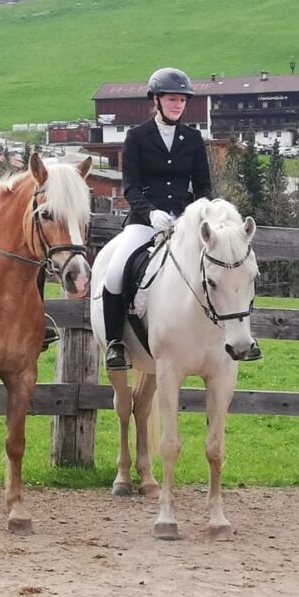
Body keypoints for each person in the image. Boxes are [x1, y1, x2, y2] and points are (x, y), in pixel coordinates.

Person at [101, 67, 213, 371]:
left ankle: (227, 335)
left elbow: (203, 186)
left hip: (184, 221)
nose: (178, 105)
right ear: (157, 100)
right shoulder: (136, 137)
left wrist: (199, 211)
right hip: (144, 220)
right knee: (114, 273)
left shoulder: (193, 139)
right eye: (172, 99)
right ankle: (115, 343)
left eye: (182, 100)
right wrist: (150, 211)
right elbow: (131, 186)